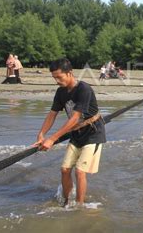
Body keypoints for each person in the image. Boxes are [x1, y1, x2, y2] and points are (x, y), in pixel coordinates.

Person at [34, 58, 106, 206]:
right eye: (54, 78)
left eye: (59, 77)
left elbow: (74, 118)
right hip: (76, 135)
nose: (57, 81)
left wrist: (52, 139)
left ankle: (79, 206)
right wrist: (42, 134)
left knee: (80, 171)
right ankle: (67, 203)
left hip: (93, 133)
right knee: (65, 170)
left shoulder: (83, 89)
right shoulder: (60, 92)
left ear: (70, 73)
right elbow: (52, 113)